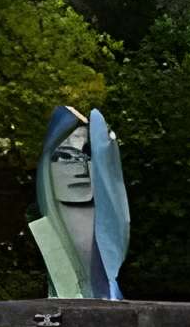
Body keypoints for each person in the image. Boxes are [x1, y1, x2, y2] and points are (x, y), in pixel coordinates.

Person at [27, 103, 129, 300]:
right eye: (65, 155)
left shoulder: (102, 219)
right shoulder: (51, 226)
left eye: (86, 154)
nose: (81, 166)